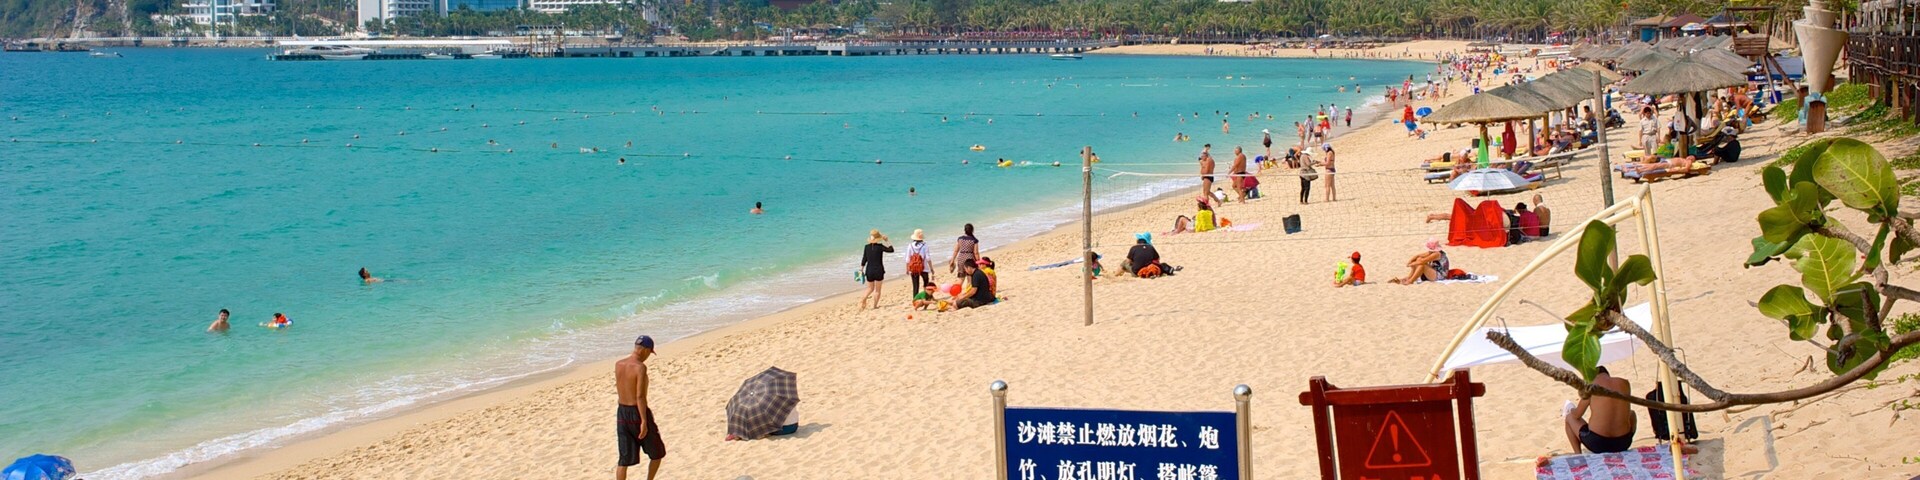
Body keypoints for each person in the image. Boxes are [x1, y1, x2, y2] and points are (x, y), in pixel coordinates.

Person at [616, 335, 665, 480]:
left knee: (623, 459)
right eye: (649, 353)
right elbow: (640, 396)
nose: (648, 357)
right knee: (657, 453)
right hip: (637, 411)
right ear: (645, 350)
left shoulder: (618, 364)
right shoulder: (640, 367)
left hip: (622, 412)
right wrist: (643, 420)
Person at [1561, 366, 1635, 454]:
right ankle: (1629, 436)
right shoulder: (1624, 383)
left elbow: (1577, 414)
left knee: (1569, 417)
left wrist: (1571, 409)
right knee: (1632, 414)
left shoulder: (1592, 386)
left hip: (1598, 443)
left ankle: (1578, 453)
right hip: (1622, 443)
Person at [858, 230, 894, 310]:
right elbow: (891, 250)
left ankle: (863, 298)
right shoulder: (880, 246)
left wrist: (861, 269)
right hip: (879, 270)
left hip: (869, 270)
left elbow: (864, 259)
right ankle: (874, 306)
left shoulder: (866, 247)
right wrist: (887, 240)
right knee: (877, 290)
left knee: (870, 288)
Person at [904, 229, 933, 294]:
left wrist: (907, 269)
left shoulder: (910, 245)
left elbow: (907, 258)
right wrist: (931, 268)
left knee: (915, 285)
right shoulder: (925, 245)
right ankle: (926, 296)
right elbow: (928, 258)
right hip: (924, 268)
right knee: (926, 282)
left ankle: (915, 300)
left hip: (914, 268)